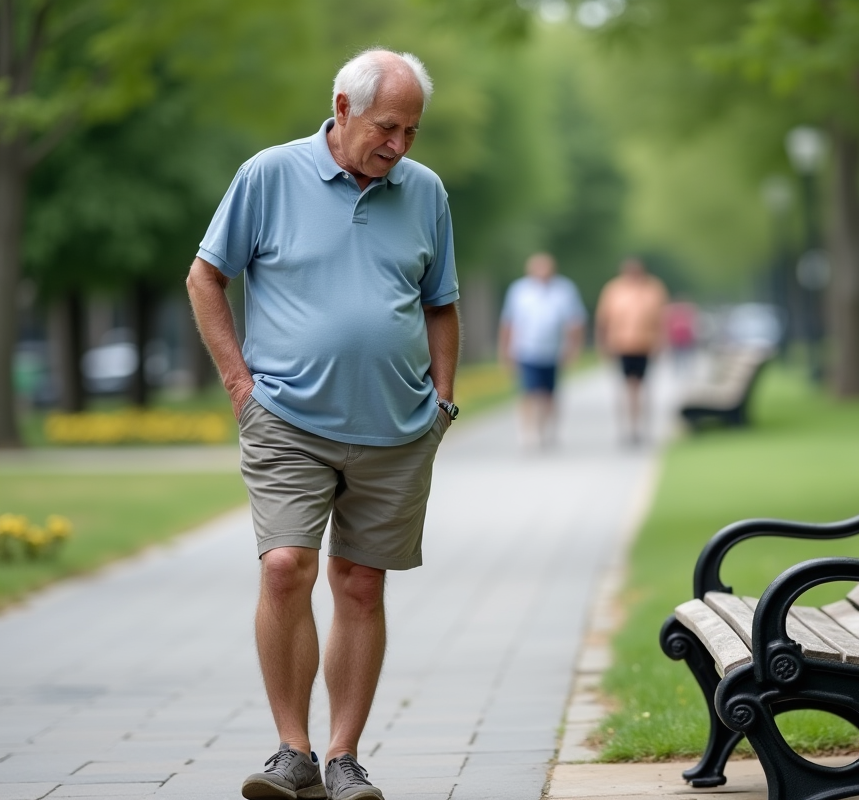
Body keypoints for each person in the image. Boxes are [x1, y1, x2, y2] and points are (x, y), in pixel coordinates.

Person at [186, 49, 459, 800]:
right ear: (342, 107)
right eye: (387, 126)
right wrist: (240, 385)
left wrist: (443, 400)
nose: (399, 144)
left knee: (361, 584)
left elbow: (441, 300)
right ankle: (291, 751)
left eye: (411, 129)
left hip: (397, 426)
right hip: (285, 418)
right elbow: (206, 275)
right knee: (284, 568)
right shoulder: (269, 175)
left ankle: (342, 758)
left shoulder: (426, 192)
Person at [497, 253, 585, 448]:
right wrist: (504, 350)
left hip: (554, 351)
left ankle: (547, 430)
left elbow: (575, 321)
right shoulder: (519, 290)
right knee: (528, 392)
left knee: (549, 394)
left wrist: (573, 347)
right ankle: (528, 432)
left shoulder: (564, 290)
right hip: (526, 350)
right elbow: (508, 322)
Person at [594, 257, 668, 444]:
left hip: (645, 344)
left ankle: (641, 427)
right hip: (621, 344)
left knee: (642, 388)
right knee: (627, 388)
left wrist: (662, 343)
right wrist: (603, 345)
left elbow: (662, 318)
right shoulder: (614, 290)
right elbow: (603, 320)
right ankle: (627, 428)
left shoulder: (653, 289)